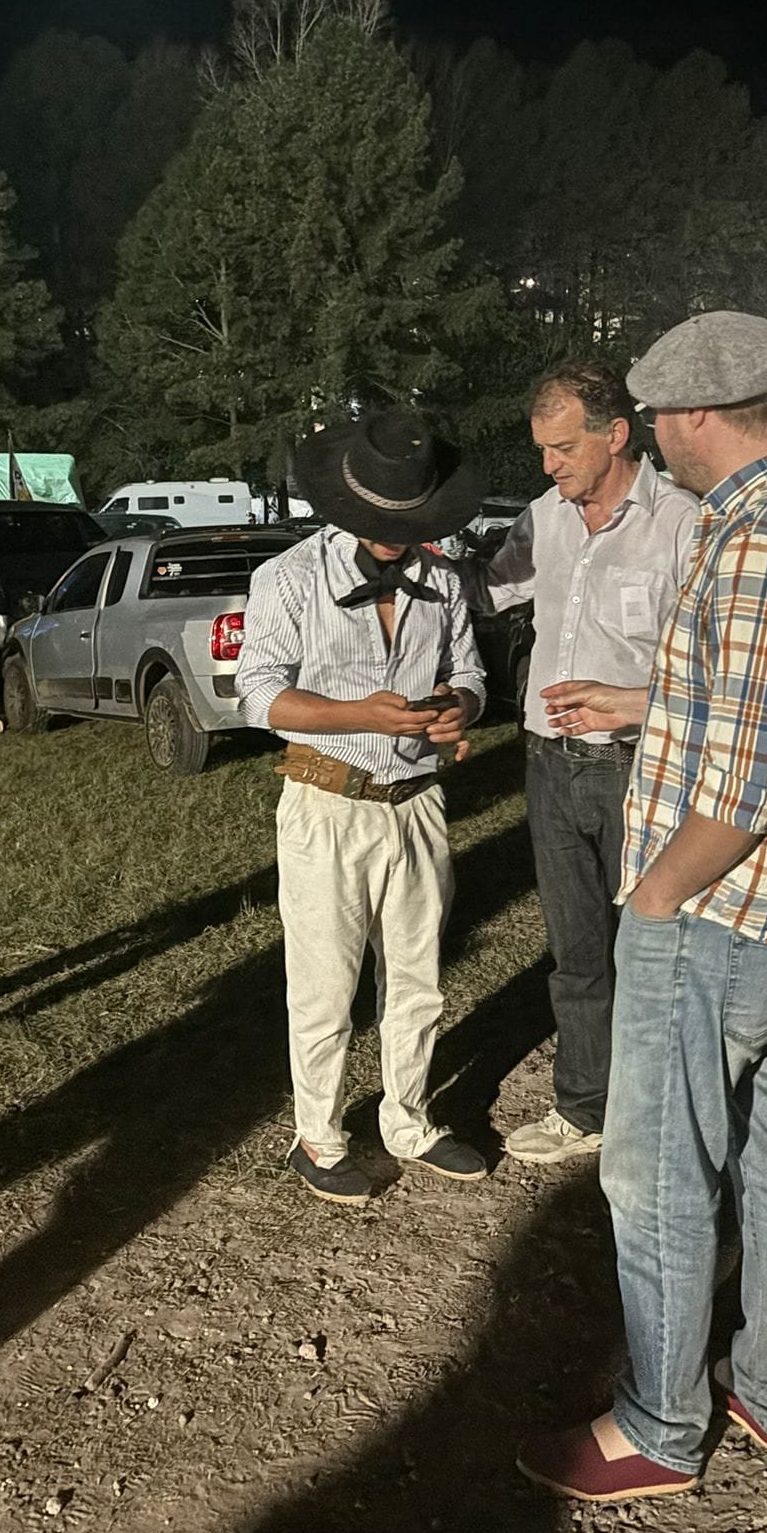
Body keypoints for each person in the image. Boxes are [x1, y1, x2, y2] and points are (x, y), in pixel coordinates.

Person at [518, 312, 767, 1503]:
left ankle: (661, 1424)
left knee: (659, 1171)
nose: (659, 436)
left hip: (722, 908)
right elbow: (741, 706)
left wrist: (657, 900)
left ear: (696, 416)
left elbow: (752, 775)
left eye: (663, 415)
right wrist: (642, 707)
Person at [237, 409, 490, 1205]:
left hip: (416, 804)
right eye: (381, 521)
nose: (393, 536)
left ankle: (407, 1121)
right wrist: (361, 715)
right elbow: (258, 696)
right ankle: (317, 1138)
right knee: (325, 984)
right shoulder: (289, 578)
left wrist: (458, 709)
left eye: (408, 523)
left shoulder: (441, 581)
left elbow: (472, 676)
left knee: (419, 978)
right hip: (328, 802)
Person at [465, 362, 696, 1164]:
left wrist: (633, 701)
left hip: (641, 766)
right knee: (577, 951)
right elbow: (486, 594)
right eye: (542, 449)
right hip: (548, 765)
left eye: (563, 448)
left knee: (655, 949)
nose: (549, 464)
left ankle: (659, 1114)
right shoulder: (545, 517)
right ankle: (585, 1108)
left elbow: (716, 667)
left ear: (616, 435)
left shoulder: (680, 523)